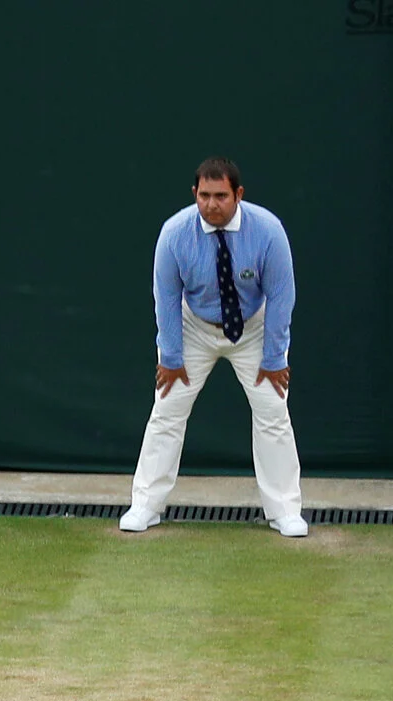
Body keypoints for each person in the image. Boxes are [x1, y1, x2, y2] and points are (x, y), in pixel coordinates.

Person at [121, 157, 301, 538]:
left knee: (272, 413)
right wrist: (170, 357)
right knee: (167, 411)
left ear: (238, 194)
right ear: (194, 194)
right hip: (193, 327)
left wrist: (273, 357)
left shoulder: (268, 231)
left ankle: (285, 511)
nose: (211, 204)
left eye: (221, 196)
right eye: (204, 195)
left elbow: (282, 296)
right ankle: (145, 506)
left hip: (253, 327)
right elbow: (166, 298)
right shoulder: (174, 233)